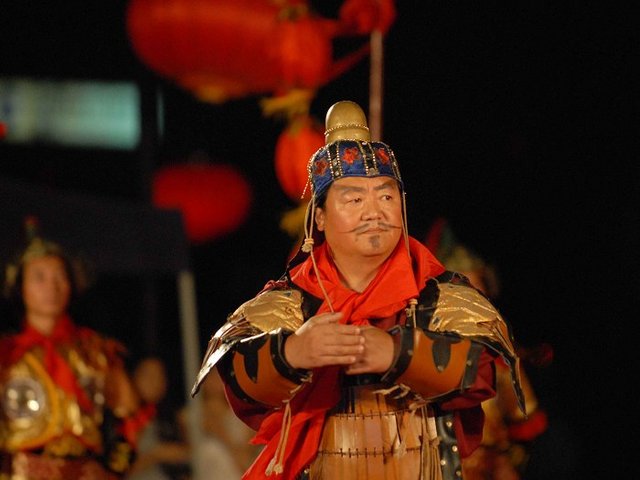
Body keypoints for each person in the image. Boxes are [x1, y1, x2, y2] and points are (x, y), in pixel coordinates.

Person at [191, 100, 526, 480]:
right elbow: (238, 378)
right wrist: (294, 351)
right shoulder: (290, 302)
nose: (374, 212)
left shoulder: (440, 295)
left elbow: (481, 372)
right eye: (354, 199)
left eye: (386, 196)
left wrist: (398, 353)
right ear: (319, 217)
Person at [0, 219, 139, 479]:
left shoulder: (95, 350)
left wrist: (113, 470)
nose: (51, 287)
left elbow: (130, 417)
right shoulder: (7, 355)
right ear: (20, 287)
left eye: (59, 277)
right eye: (39, 277)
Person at [425, 218, 549, 480]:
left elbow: (522, 420)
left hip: (489, 464)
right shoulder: (420, 351)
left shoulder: (499, 356)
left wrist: (504, 460)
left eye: (476, 293)